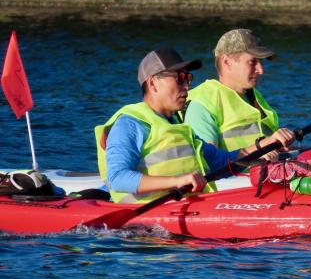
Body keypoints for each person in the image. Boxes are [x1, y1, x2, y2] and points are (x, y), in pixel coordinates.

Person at [95, 48, 294, 204]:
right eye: (179, 78)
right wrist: (177, 181)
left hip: (185, 209)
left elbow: (223, 161)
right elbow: (118, 178)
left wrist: (266, 145)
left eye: (188, 78)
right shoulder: (130, 124)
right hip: (145, 230)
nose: (187, 86)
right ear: (153, 83)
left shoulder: (179, 126)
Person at [183, 28, 311, 151]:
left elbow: (287, 154)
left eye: (260, 63)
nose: (261, 70)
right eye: (252, 62)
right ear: (227, 62)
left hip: (267, 182)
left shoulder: (254, 99)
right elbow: (209, 164)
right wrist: (260, 150)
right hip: (232, 195)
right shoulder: (202, 104)